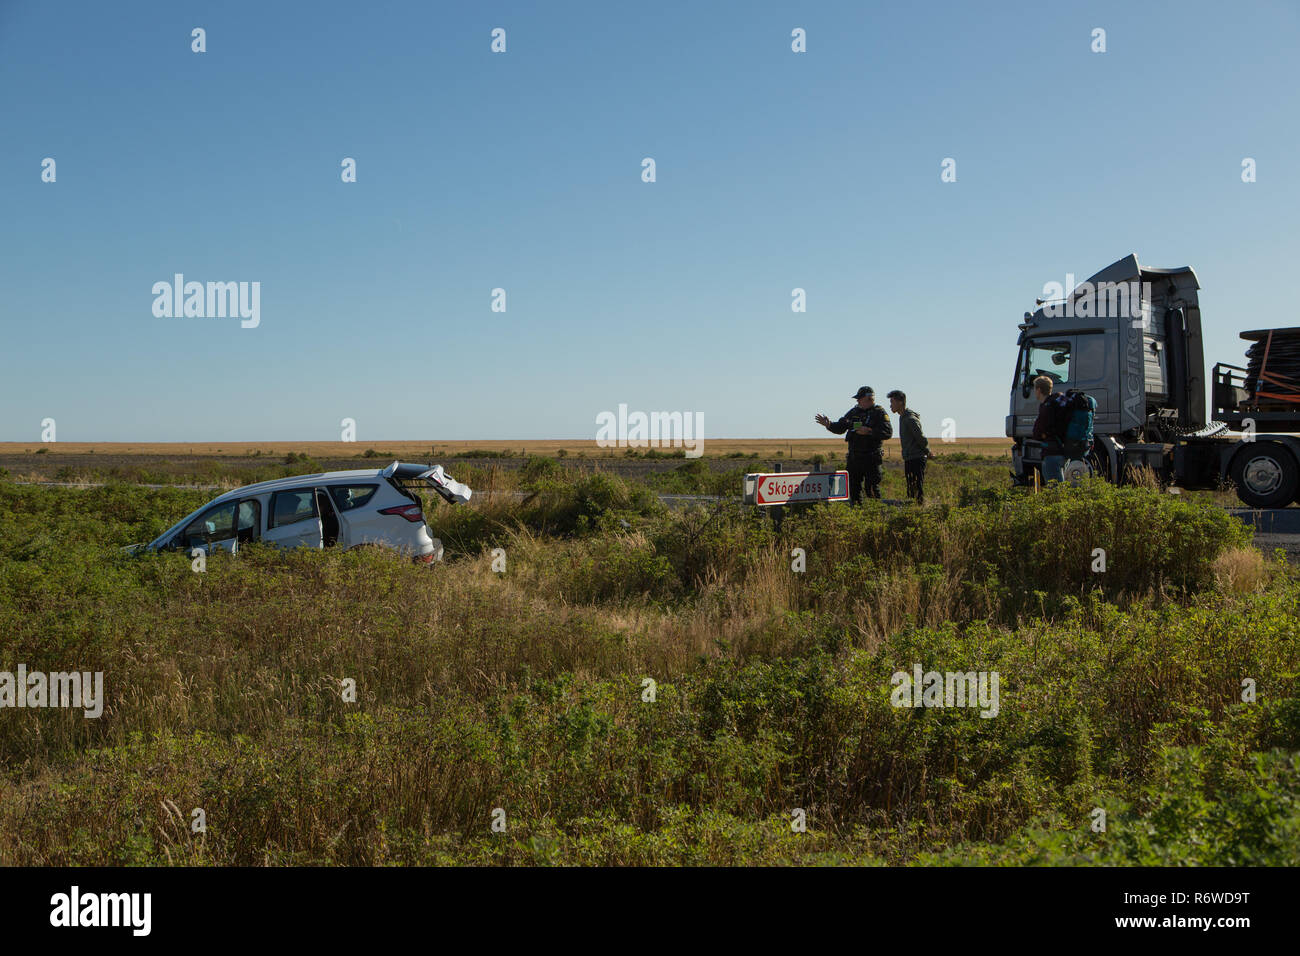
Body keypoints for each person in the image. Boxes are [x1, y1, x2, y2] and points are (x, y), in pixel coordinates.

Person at [815, 386, 893, 504]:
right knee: (854, 489)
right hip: (855, 458)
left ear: (869, 399)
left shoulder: (879, 413)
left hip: (871, 458)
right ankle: (858, 514)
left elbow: (887, 432)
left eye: (859, 398)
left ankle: (876, 515)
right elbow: (842, 426)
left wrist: (869, 431)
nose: (857, 401)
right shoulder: (854, 412)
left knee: (871, 488)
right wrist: (829, 424)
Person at [886, 390, 932, 504]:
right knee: (911, 489)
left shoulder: (910, 418)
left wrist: (928, 451)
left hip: (916, 457)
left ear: (900, 402)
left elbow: (920, 437)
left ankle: (919, 511)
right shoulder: (902, 417)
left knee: (916, 488)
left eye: (892, 401)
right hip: (909, 458)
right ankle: (913, 512)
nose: (890, 405)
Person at [1031, 375, 1068, 483]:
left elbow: (1038, 431)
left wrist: (1040, 434)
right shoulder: (1058, 404)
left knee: (1054, 489)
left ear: (1039, 390)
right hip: (1062, 451)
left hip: (1052, 453)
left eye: (1035, 389)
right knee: (1060, 486)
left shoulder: (1048, 406)